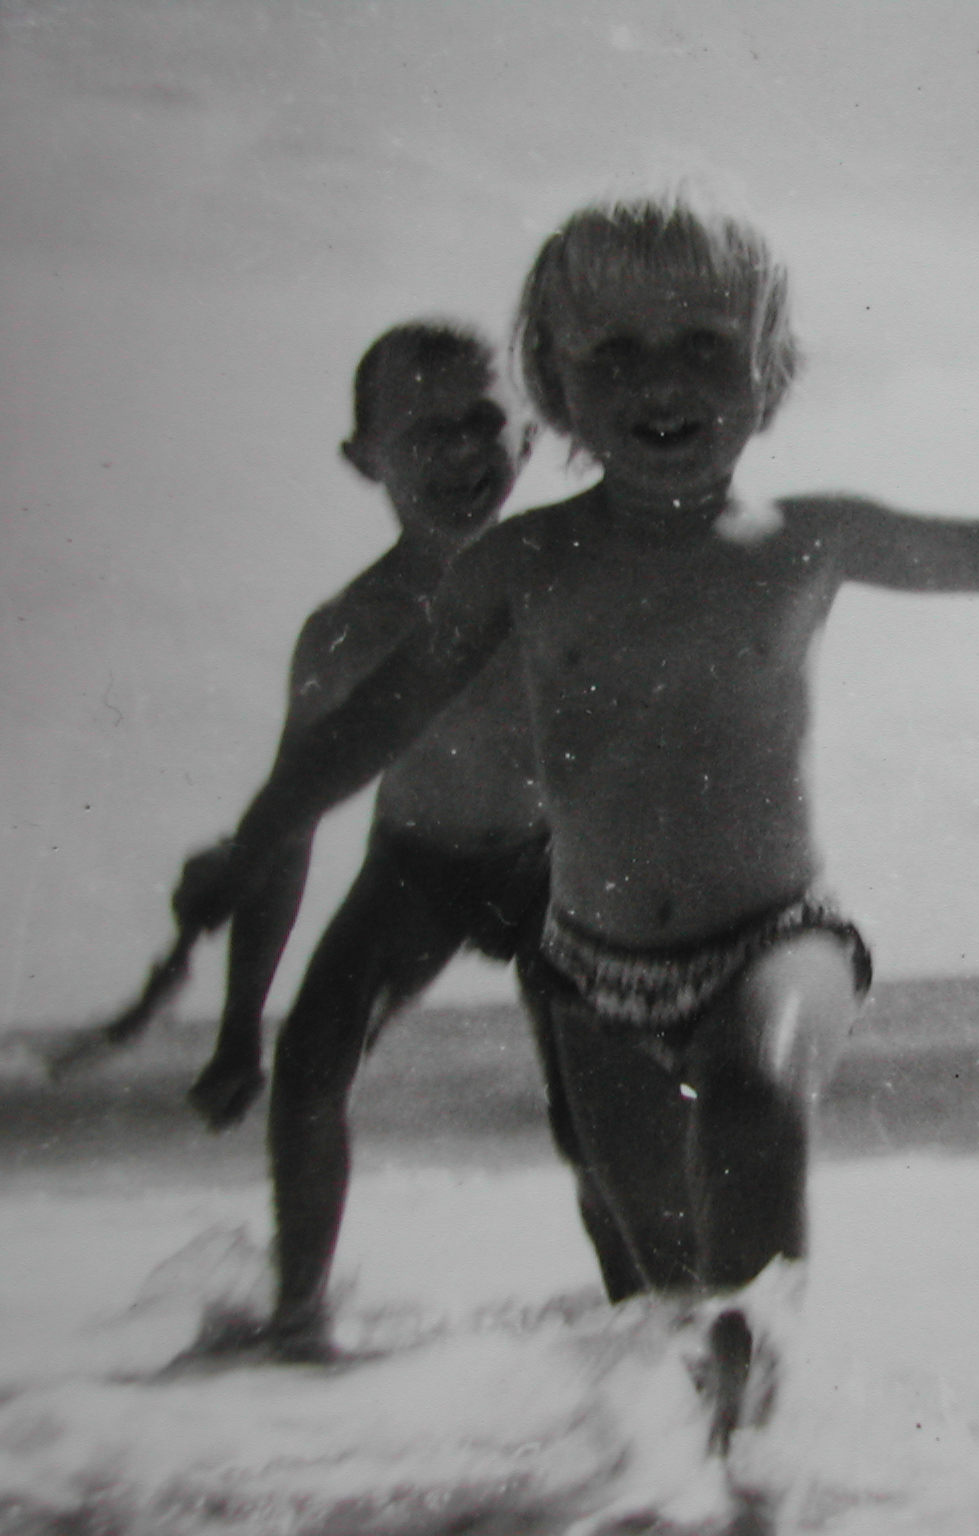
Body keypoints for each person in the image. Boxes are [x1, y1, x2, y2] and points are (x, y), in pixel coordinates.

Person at [172, 198, 979, 1463]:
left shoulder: (806, 541)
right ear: (556, 387)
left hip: (779, 937)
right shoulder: (519, 564)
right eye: (613, 351)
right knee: (670, 1305)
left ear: (770, 369)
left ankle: (765, 1487)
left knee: (749, 1105)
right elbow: (367, 724)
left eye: (703, 343)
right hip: (589, 976)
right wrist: (251, 845)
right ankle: (684, 1479)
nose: (661, 382)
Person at [185, 321, 641, 1361]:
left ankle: (650, 1329)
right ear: (365, 458)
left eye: (482, 421)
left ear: (533, 434)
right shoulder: (345, 630)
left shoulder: (569, 581)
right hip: (416, 866)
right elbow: (288, 827)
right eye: (422, 431)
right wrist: (238, 1024)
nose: (459, 451)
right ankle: (297, 1324)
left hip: (554, 869)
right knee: (310, 1063)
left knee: (594, 1115)